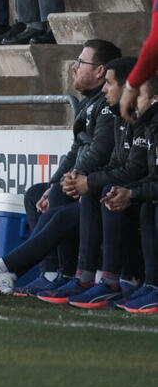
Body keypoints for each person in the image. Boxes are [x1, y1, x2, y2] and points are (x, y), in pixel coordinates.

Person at [0, 42, 123, 296]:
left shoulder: (107, 108)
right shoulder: (89, 104)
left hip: (101, 190)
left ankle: (14, 271)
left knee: (59, 202)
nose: (74, 67)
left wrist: (68, 182)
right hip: (90, 185)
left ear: (100, 71)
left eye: (80, 62)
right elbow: (76, 151)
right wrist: (55, 182)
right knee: (35, 194)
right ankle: (47, 273)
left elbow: (101, 152)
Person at [36, 67, 156, 308]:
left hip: (142, 195)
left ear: (153, 99)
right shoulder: (129, 119)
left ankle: (122, 281)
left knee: (125, 201)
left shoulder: (143, 123)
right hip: (139, 191)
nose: (104, 90)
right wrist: (83, 176)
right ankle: (77, 277)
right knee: (62, 195)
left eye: (138, 95)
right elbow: (117, 164)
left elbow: (135, 170)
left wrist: (129, 192)